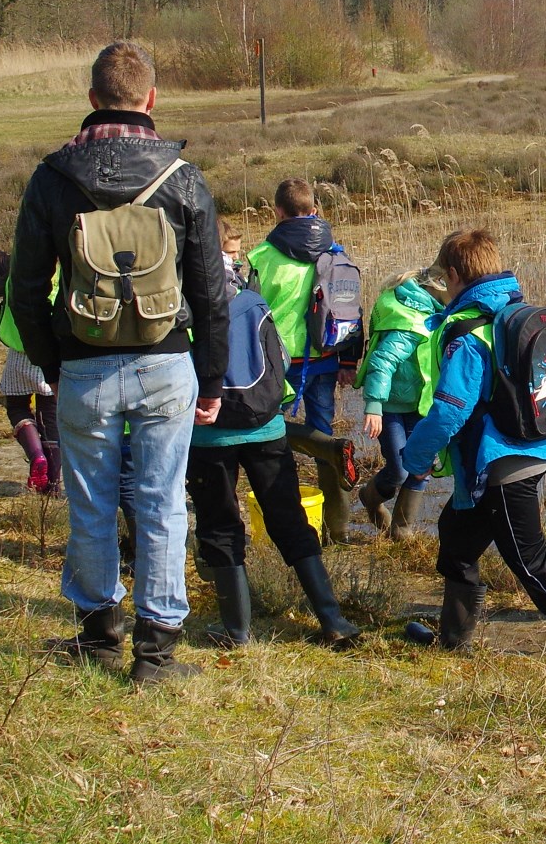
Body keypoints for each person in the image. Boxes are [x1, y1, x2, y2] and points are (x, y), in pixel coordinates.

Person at [8, 41, 228, 683]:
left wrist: (54, 363)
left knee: (91, 503)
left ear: (91, 100)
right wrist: (211, 378)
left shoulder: (52, 177)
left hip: (83, 365)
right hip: (167, 365)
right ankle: (156, 653)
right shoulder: (183, 178)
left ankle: (99, 637)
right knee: (162, 502)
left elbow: (25, 289)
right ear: (151, 100)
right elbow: (211, 291)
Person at [399, 229, 546, 672]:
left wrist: (413, 459)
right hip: (532, 449)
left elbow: (448, 412)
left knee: (532, 563)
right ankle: (452, 642)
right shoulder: (516, 313)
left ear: (455, 275)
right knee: (456, 543)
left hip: (500, 464)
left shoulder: (470, 333)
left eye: (445, 279)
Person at [183, 238, 361, 648]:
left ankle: (236, 631)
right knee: (289, 518)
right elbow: (277, 358)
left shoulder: (184, 310)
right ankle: (333, 621)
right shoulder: (251, 301)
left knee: (220, 524)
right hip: (266, 426)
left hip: (208, 432)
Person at [248, 180, 361, 540]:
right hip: (327, 357)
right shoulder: (335, 252)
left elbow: (246, 312)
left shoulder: (261, 257)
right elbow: (352, 308)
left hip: (277, 363)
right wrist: (347, 362)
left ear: (277, 212)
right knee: (323, 427)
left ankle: (287, 522)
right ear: (314, 210)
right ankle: (338, 529)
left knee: (267, 431)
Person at [353, 268, 446, 539]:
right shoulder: (409, 323)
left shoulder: (437, 316)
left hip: (421, 407)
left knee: (421, 466)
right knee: (399, 470)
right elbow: (382, 362)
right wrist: (374, 405)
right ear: (435, 289)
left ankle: (401, 533)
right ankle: (369, 497)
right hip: (391, 407)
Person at [0, 234, 60, 494]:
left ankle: (36, 456)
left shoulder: (19, 268)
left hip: (21, 351)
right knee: (51, 416)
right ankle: (52, 485)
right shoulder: (64, 271)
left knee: (18, 407)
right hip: (53, 354)